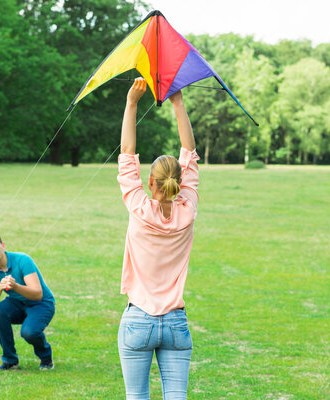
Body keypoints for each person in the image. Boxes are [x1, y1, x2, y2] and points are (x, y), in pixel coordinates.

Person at [116, 78, 200, 399]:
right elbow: (190, 153)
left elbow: (127, 153)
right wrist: (178, 103)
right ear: (179, 183)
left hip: (138, 319)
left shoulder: (139, 207)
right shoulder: (188, 209)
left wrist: (132, 102)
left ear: (150, 182)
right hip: (176, 324)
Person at [0, 231, 56, 371]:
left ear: (3, 246)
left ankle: (46, 357)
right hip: (17, 302)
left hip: (41, 304)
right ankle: (10, 361)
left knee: (29, 332)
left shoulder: (23, 260)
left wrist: (15, 286)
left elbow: (37, 294)